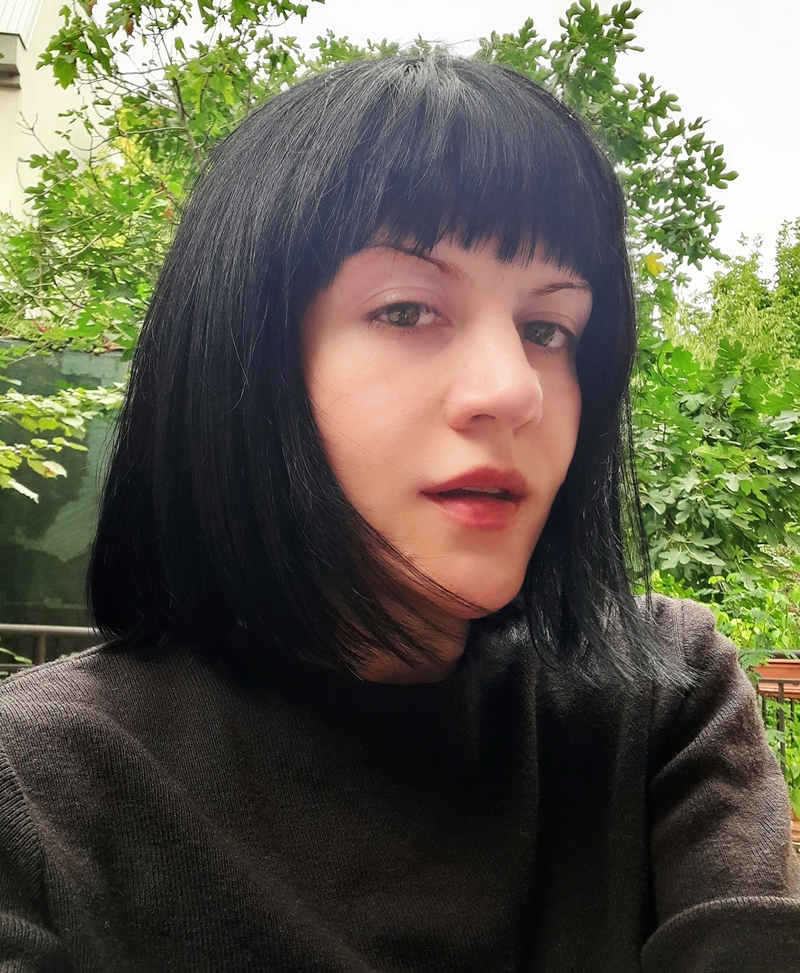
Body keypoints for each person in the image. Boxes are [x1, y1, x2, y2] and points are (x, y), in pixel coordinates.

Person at [0, 54, 797, 972]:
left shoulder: (659, 701)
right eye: (409, 309)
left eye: (548, 330)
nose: (515, 391)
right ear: (239, 354)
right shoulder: (39, 789)